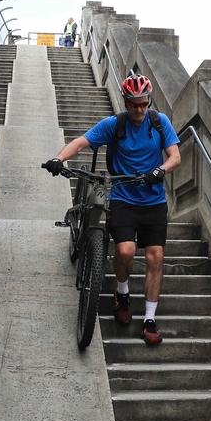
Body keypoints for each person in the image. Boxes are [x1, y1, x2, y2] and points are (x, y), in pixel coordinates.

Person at [44, 74, 181, 345]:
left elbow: (175, 156)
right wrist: (58, 158)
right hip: (123, 198)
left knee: (155, 258)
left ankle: (150, 319)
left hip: (153, 202)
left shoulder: (159, 121)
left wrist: (159, 170)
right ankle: (122, 292)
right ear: (125, 102)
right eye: (133, 104)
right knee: (124, 250)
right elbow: (82, 142)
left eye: (143, 104)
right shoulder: (114, 125)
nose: (139, 110)